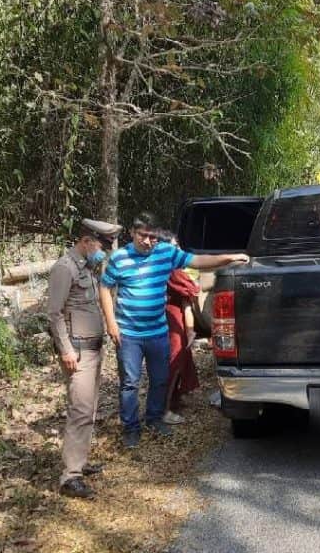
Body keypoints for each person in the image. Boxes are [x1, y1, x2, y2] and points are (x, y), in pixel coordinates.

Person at [99, 212, 248, 448]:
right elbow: (105, 287)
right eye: (142, 235)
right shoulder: (119, 258)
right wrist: (111, 323)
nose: (148, 241)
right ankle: (131, 428)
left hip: (158, 332)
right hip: (129, 335)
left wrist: (228, 258)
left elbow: (197, 261)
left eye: (152, 237)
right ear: (132, 232)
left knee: (160, 379)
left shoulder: (166, 253)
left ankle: (154, 418)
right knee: (130, 383)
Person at [47, 218, 123, 499]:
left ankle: (79, 461)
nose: (103, 252)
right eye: (101, 247)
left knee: (88, 410)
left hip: (92, 349)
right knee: (79, 410)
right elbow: (54, 314)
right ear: (87, 241)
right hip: (77, 352)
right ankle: (70, 477)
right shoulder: (64, 268)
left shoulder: (87, 268)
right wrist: (66, 349)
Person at [162, 266, 200, 425]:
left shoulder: (175, 269)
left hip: (176, 318)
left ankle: (174, 399)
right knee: (175, 362)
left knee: (181, 359)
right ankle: (164, 409)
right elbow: (191, 291)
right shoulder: (172, 269)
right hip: (172, 318)